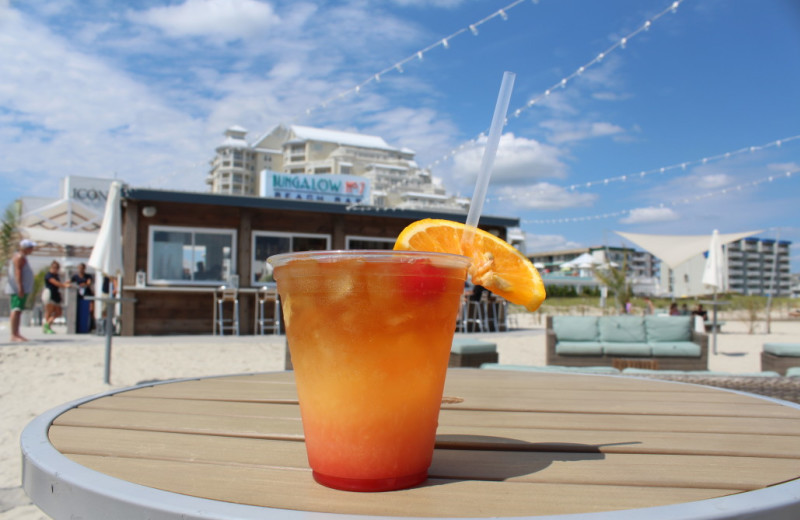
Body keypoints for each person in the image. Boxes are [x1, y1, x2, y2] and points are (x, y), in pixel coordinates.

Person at [5, 239, 36, 342]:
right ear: (26, 248)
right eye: (31, 247)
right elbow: (18, 272)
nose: (32, 249)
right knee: (16, 309)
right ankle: (14, 334)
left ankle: (17, 333)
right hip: (17, 289)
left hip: (21, 288)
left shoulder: (22, 257)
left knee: (18, 310)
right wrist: (20, 287)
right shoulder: (19, 257)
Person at [43, 260, 72, 334]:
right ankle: (47, 327)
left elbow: (59, 284)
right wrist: (64, 285)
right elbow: (56, 283)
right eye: (54, 267)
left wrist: (65, 284)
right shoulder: (49, 275)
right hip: (50, 295)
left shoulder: (56, 275)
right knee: (49, 312)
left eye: (56, 268)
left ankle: (47, 324)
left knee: (58, 312)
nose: (55, 269)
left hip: (55, 295)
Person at [71, 262, 95, 329]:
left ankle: (91, 325)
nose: (81, 269)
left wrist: (84, 284)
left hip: (87, 295)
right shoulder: (75, 277)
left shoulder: (88, 276)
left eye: (82, 268)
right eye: (80, 268)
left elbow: (89, 282)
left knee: (91, 310)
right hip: (78, 296)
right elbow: (70, 282)